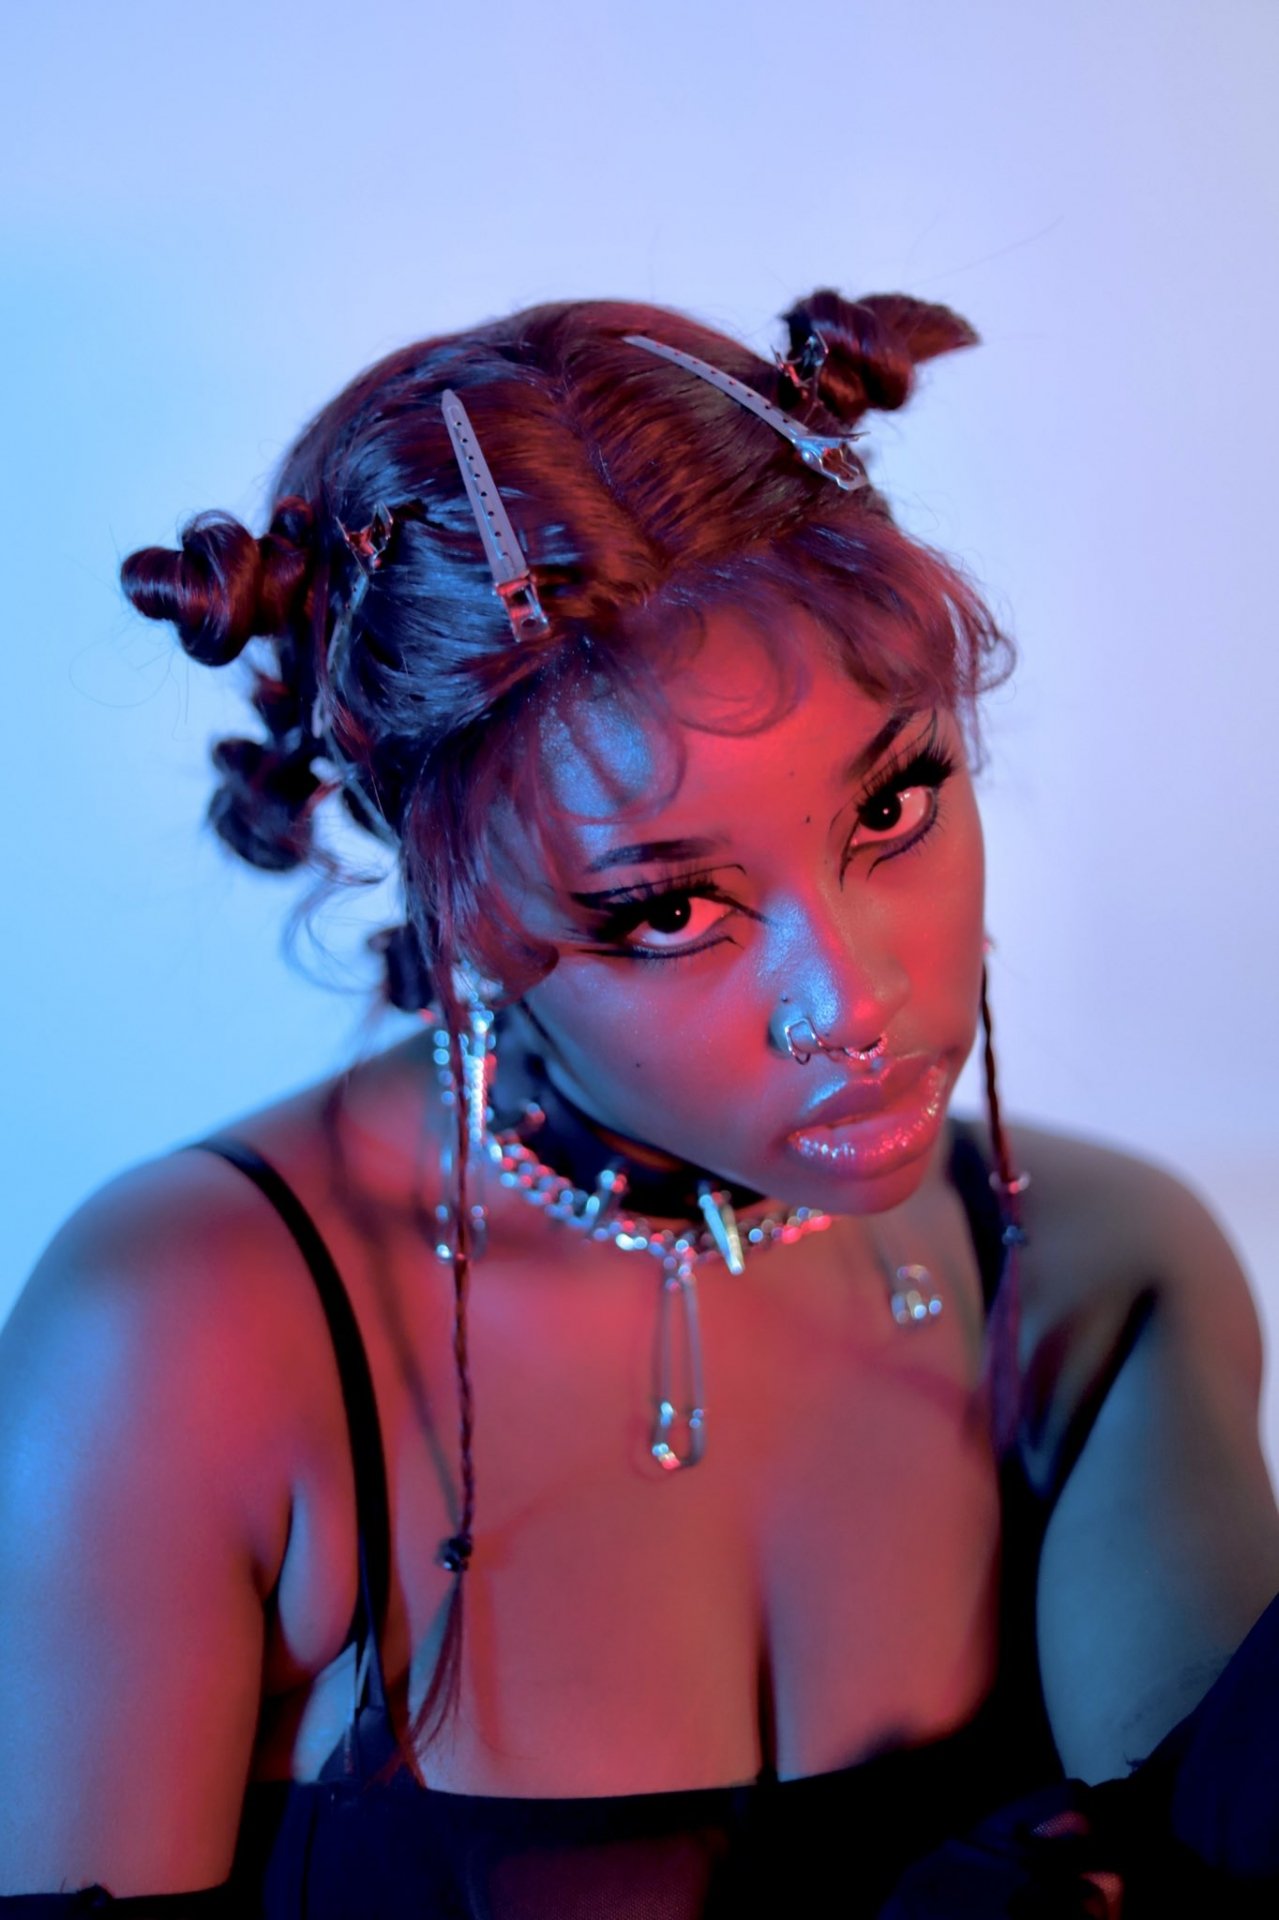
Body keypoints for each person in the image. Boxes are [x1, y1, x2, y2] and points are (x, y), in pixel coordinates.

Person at [2, 288, 1278, 1918]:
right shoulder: (186, 1336)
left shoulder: (1101, 1275)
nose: (855, 1004)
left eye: (895, 805)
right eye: (668, 909)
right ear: (460, 908)